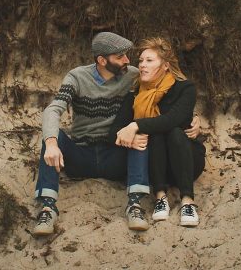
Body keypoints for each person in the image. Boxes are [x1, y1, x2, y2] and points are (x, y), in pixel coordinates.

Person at [33, 32, 153, 235]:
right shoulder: (77, 77)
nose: (126, 60)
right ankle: (47, 208)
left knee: (138, 136)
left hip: (115, 155)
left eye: (126, 55)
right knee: (54, 137)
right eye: (120, 56)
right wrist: (52, 144)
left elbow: (166, 84)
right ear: (101, 60)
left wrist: (191, 117)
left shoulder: (132, 75)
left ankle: (134, 205)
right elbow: (53, 110)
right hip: (81, 156)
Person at [110, 37, 206, 227]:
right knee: (156, 133)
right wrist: (131, 139)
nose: (142, 65)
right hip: (153, 166)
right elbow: (114, 131)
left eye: (149, 60)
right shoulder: (136, 94)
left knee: (173, 131)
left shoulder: (185, 88)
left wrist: (135, 125)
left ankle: (188, 201)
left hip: (186, 162)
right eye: (141, 61)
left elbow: (174, 119)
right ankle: (160, 197)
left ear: (165, 66)